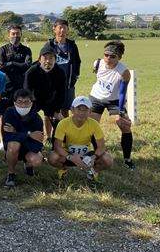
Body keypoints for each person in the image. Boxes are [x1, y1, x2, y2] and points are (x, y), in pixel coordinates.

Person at [89, 41, 135, 170]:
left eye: (113, 56)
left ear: (119, 57)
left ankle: (127, 159)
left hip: (115, 101)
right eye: (106, 55)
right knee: (91, 127)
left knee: (124, 125)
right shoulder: (97, 63)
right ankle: (99, 154)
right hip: (96, 98)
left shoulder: (124, 72)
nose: (108, 58)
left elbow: (122, 92)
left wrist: (120, 111)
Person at [48, 96, 113, 182]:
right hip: (68, 154)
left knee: (108, 159)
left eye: (85, 110)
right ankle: (63, 169)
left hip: (86, 155)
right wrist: (71, 157)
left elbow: (101, 146)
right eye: (79, 109)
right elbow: (57, 146)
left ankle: (93, 172)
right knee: (52, 157)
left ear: (90, 111)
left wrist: (93, 157)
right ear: (72, 109)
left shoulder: (94, 124)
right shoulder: (63, 123)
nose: (82, 113)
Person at [2, 89, 44, 187]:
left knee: (37, 159)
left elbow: (38, 142)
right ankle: (11, 173)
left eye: (26, 102)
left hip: (29, 147)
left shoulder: (37, 118)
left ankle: (28, 165)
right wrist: (28, 135)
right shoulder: (8, 113)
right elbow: (8, 137)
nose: (23, 105)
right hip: (13, 146)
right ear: (14, 103)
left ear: (31, 103)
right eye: (20, 101)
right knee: (13, 145)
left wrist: (16, 132)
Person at [24, 43, 66, 140]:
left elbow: (61, 93)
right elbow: (26, 91)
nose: (48, 61)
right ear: (39, 59)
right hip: (35, 100)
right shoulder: (31, 72)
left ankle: (55, 142)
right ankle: (33, 140)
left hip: (51, 100)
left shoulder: (60, 72)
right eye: (45, 58)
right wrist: (29, 108)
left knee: (59, 121)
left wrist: (57, 110)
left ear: (55, 60)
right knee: (29, 119)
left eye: (51, 58)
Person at [0, 24, 33, 117]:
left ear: (21, 34)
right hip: (7, 87)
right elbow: (0, 67)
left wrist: (11, 63)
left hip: (21, 86)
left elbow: (28, 66)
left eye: (18, 33)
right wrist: (18, 64)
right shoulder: (3, 50)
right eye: (13, 34)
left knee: (21, 113)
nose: (15, 36)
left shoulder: (26, 50)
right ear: (9, 35)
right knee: (4, 114)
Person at [47, 19, 81, 117]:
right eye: (60, 27)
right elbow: (43, 61)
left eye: (65, 28)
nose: (62, 30)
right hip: (52, 83)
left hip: (68, 83)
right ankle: (49, 128)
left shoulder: (72, 45)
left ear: (67, 30)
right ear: (54, 29)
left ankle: (65, 127)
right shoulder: (49, 45)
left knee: (65, 110)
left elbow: (77, 61)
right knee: (49, 111)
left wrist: (75, 75)